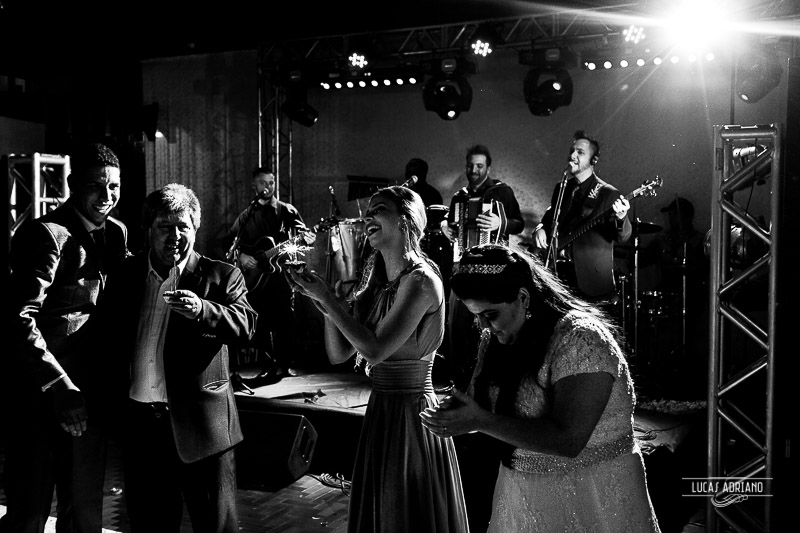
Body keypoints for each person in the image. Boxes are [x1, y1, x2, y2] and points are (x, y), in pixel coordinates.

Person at [420, 243, 662, 533]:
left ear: (523, 297)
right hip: (521, 492)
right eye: (476, 315)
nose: (483, 326)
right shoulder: (496, 338)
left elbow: (569, 440)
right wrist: (458, 415)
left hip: (593, 493)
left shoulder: (580, 339)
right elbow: (483, 411)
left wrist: (480, 421)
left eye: (490, 314)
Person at [286, 186, 469, 533]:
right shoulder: (377, 284)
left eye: (379, 209)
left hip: (413, 415)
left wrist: (330, 299)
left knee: (406, 514)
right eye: (368, 210)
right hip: (381, 410)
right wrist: (323, 304)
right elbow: (339, 354)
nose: (368, 216)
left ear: (404, 221)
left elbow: (374, 350)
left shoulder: (421, 281)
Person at [101, 183, 257, 533]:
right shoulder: (126, 275)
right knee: (149, 526)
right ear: (148, 229)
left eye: (183, 226)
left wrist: (203, 309)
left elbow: (247, 324)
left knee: (216, 527)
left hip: (204, 431)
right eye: (165, 227)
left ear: (196, 228)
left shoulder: (222, 275)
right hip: (142, 430)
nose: (174, 236)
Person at [3, 142, 128, 533]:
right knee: (29, 513)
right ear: (73, 185)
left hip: (91, 399)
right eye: (95, 186)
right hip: (40, 396)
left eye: (114, 186)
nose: (106, 196)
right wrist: (59, 385)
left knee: (84, 514)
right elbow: (17, 317)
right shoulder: (45, 234)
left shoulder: (118, 233)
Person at [442, 144, 525, 391]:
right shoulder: (459, 197)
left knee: (488, 327)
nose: (474, 170)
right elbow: (451, 223)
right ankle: (459, 381)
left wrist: (500, 222)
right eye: (470, 166)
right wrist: (447, 228)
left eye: (479, 166)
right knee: (457, 325)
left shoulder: (502, 192)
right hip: (463, 267)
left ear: (488, 167)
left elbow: (519, 224)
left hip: (493, 270)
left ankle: (487, 383)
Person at [227, 166, 315, 384]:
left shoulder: (286, 210)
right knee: (261, 321)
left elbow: (303, 235)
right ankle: (268, 365)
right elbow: (229, 242)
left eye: (271, 182)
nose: (268, 186)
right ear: (254, 186)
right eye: (263, 183)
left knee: (286, 319)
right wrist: (242, 256)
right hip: (256, 279)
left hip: (281, 274)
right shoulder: (247, 214)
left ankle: (285, 365)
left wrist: (308, 236)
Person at [534, 130, 631, 308]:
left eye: (580, 152)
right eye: (572, 151)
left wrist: (621, 217)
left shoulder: (607, 193)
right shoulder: (562, 188)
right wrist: (540, 228)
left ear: (594, 160)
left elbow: (623, 236)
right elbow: (549, 217)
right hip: (560, 278)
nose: (572, 156)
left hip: (590, 282)